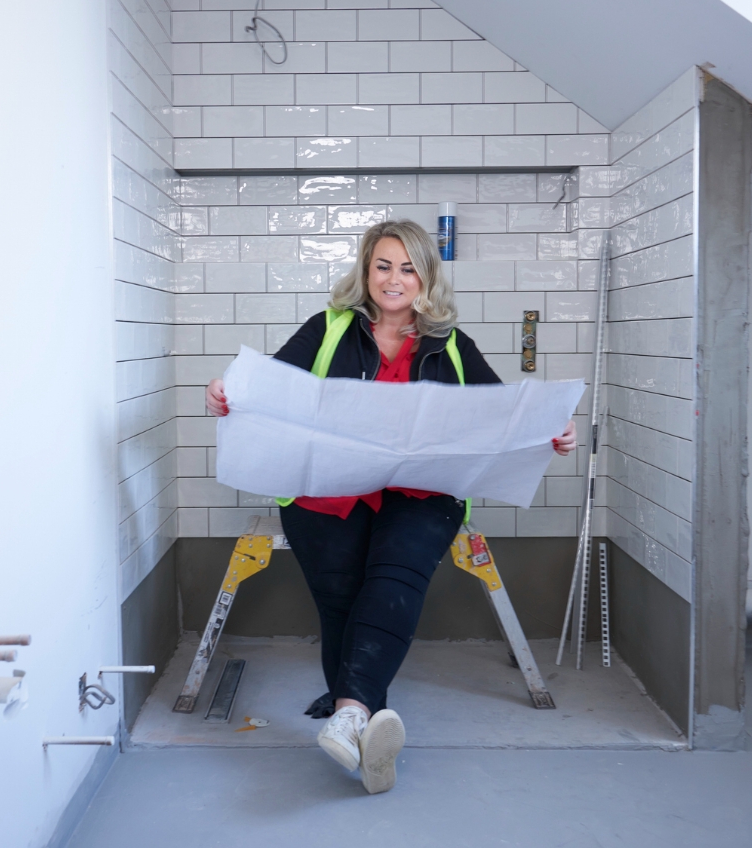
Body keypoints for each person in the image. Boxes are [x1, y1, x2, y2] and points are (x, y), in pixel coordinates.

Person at [206, 219, 577, 794]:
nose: (394, 279)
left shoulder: (451, 343)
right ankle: (368, 730)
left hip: (422, 492)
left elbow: (503, 414)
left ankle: (351, 712)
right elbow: (270, 385)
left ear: (426, 276)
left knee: (395, 578)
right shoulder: (328, 327)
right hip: (327, 487)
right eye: (383, 265)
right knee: (340, 601)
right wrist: (226, 391)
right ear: (365, 270)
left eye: (408, 267)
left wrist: (551, 433)